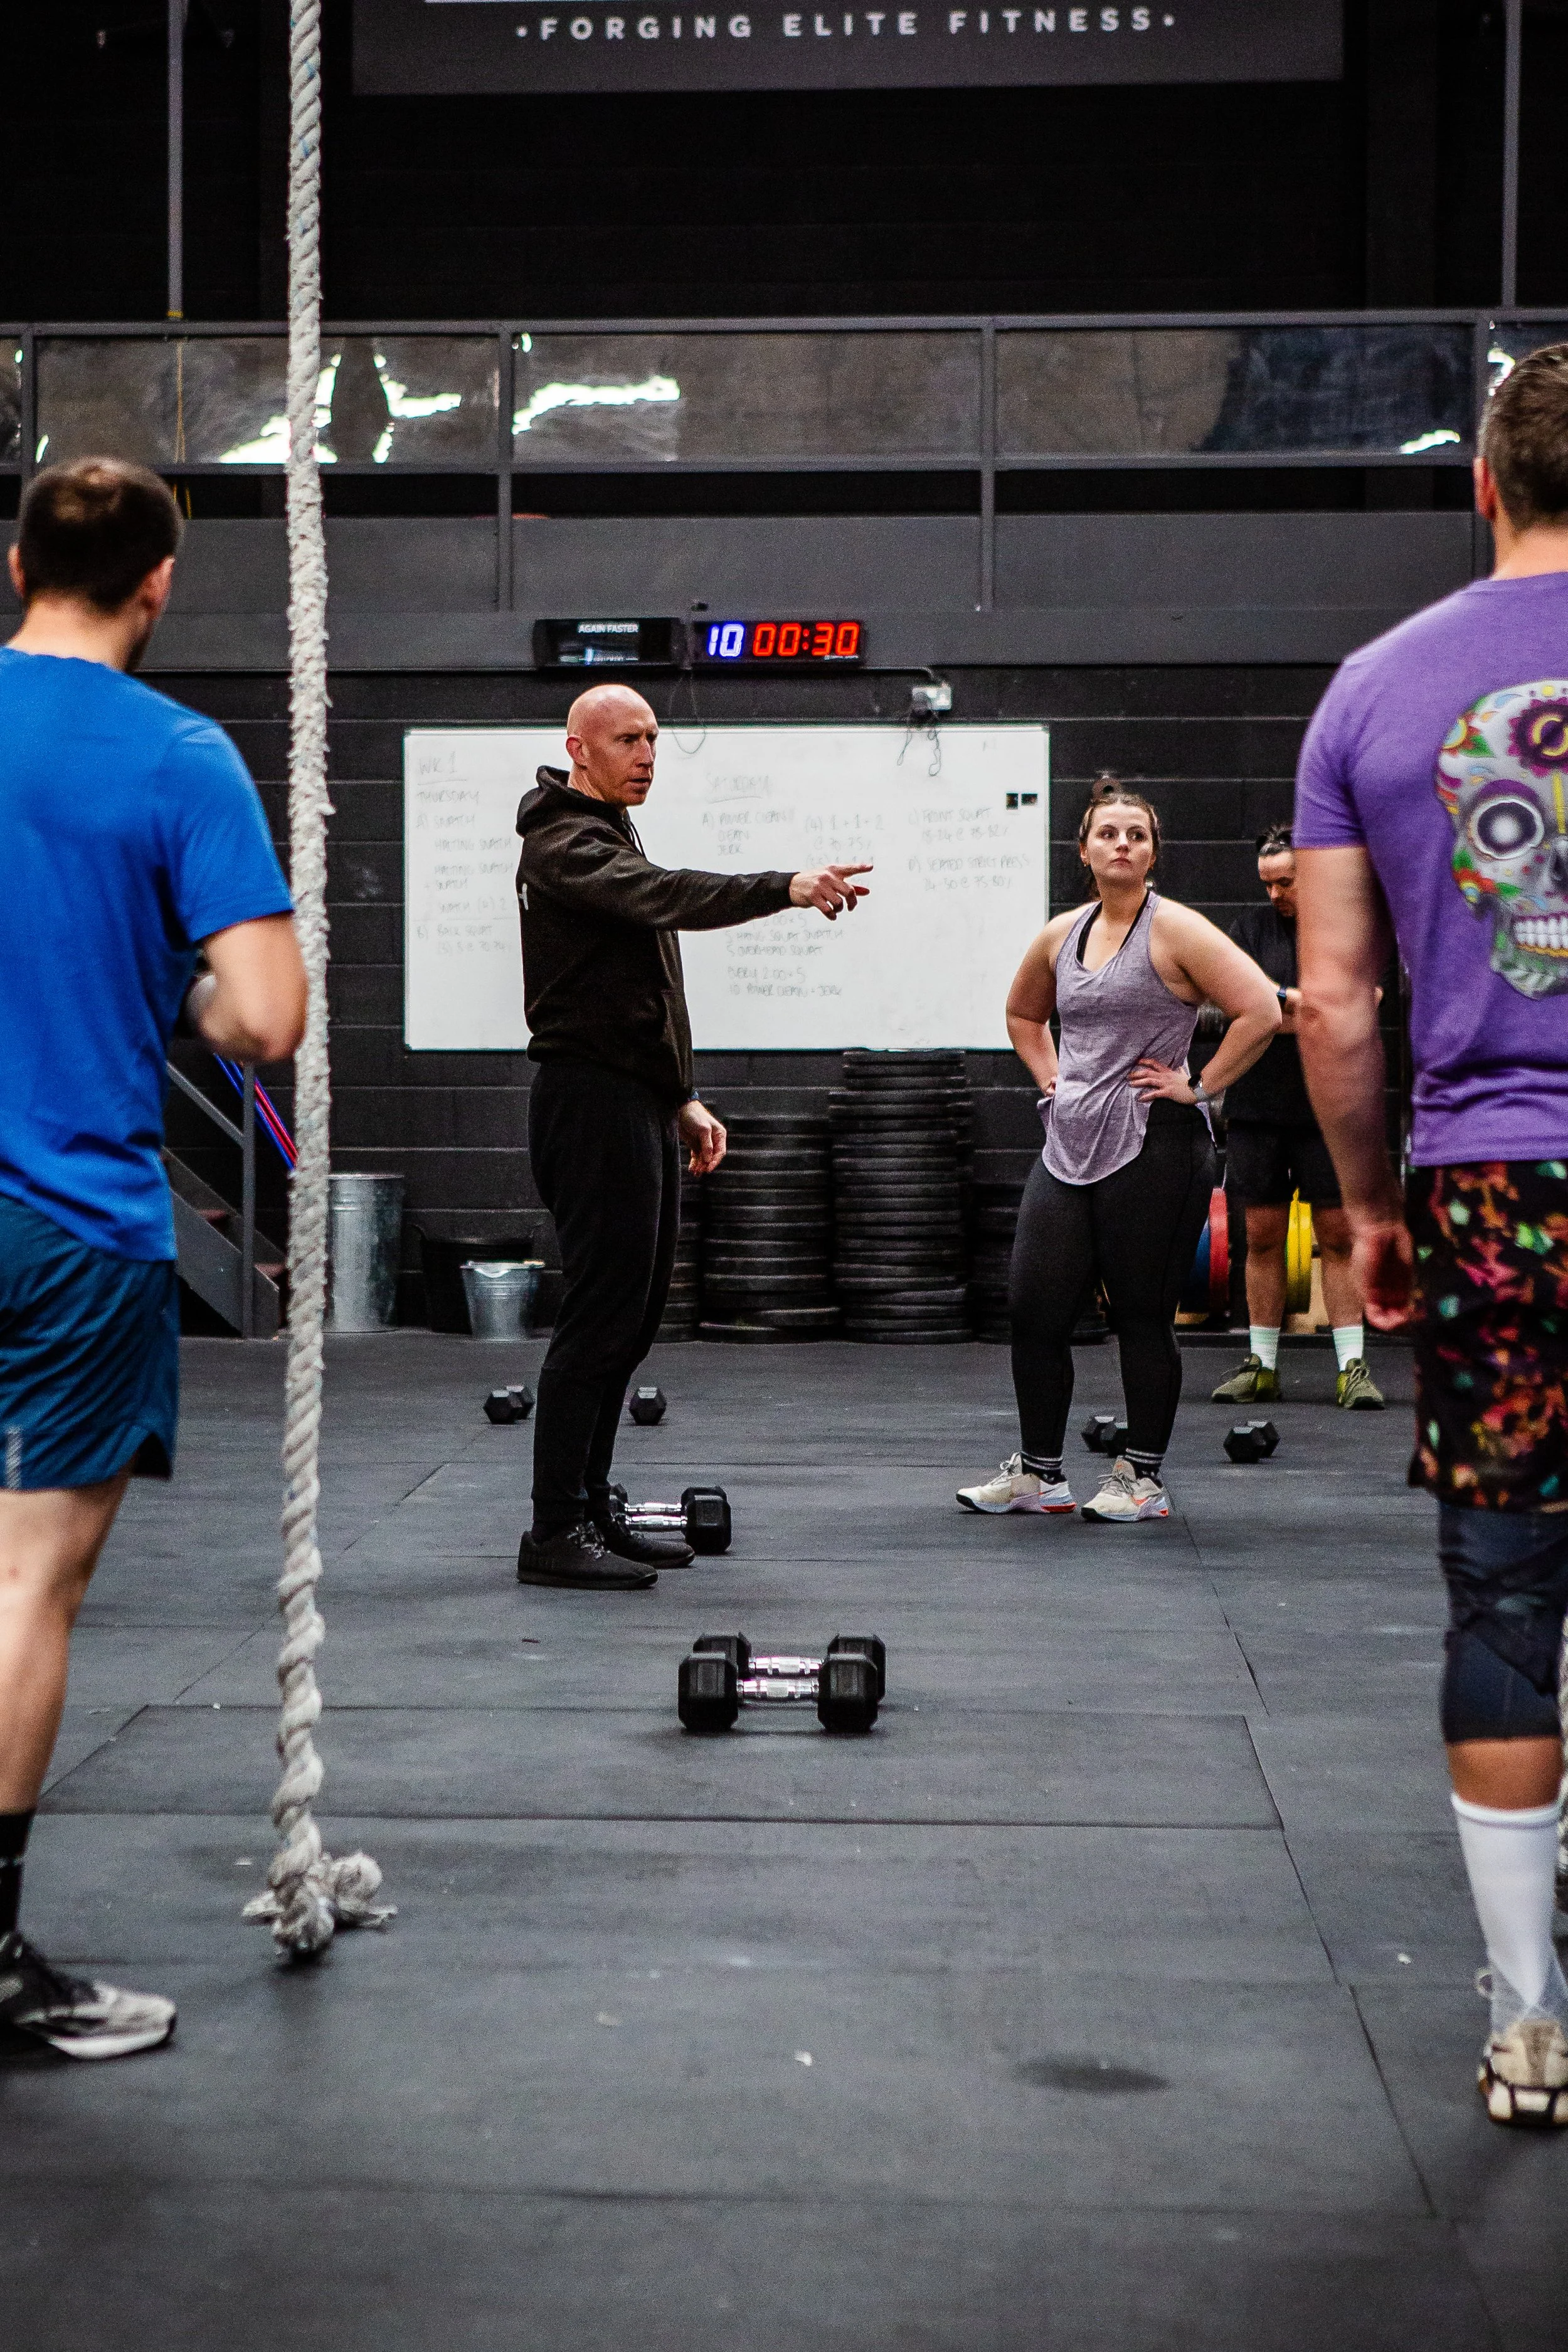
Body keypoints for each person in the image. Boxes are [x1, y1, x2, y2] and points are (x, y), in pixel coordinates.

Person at [1294, 341, 1568, 2126]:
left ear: (1480, 482)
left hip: (1491, 1182)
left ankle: (1529, 2014)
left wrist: (1371, 1206)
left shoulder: (1372, 692)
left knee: (1505, 1580)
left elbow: (1328, 1006)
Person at [0, 460, 305, 2060]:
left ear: (12, 563)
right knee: (22, 1577)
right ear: (160, 583)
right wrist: (189, 995)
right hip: (64, 1221)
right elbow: (263, 1018)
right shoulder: (180, 755)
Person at [514, 682, 871, 1590]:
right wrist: (783, 887)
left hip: (631, 1095)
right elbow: (668, 899)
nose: (646, 753)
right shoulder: (563, 844)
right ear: (579, 748)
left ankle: (591, 1504)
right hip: (588, 1101)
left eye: (654, 738)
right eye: (627, 739)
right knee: (601, 1313)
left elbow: (633, 992)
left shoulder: (609, 833)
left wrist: (679, 1096)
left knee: (632, 1319)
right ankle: (554, 1528)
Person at [958, 777, 1279, 1525]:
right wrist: (1050, 1080)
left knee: (1141, 1313)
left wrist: (1198, 1087)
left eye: (1136, 834)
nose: (1122, 844)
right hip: (1068, 1142)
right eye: (1108, 833)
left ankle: (1142, 1476)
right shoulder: (1061, 933)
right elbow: (1021, 1013)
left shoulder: (1177, 931)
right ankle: (1040, 1474)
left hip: (1156, 1143)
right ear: (1084, 849)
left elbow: (1260, 1009)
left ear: (1153, 851)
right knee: (1035, 1309)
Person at [1209, 823, 1384, 1411]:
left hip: (1328, 1108)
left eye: (1286, 881)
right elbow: (1241, 1006)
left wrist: (1279, 1004)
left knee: (1337, 1237)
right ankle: (1261, 1365)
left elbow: (1362, 1005)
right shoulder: (1248, 931)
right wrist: (1301, 1006)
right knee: (1260, 1238)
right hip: (1258, 1105)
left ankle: (1352, 1366)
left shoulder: (1346, 924)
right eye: (1268, 884)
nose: (1276, 894)